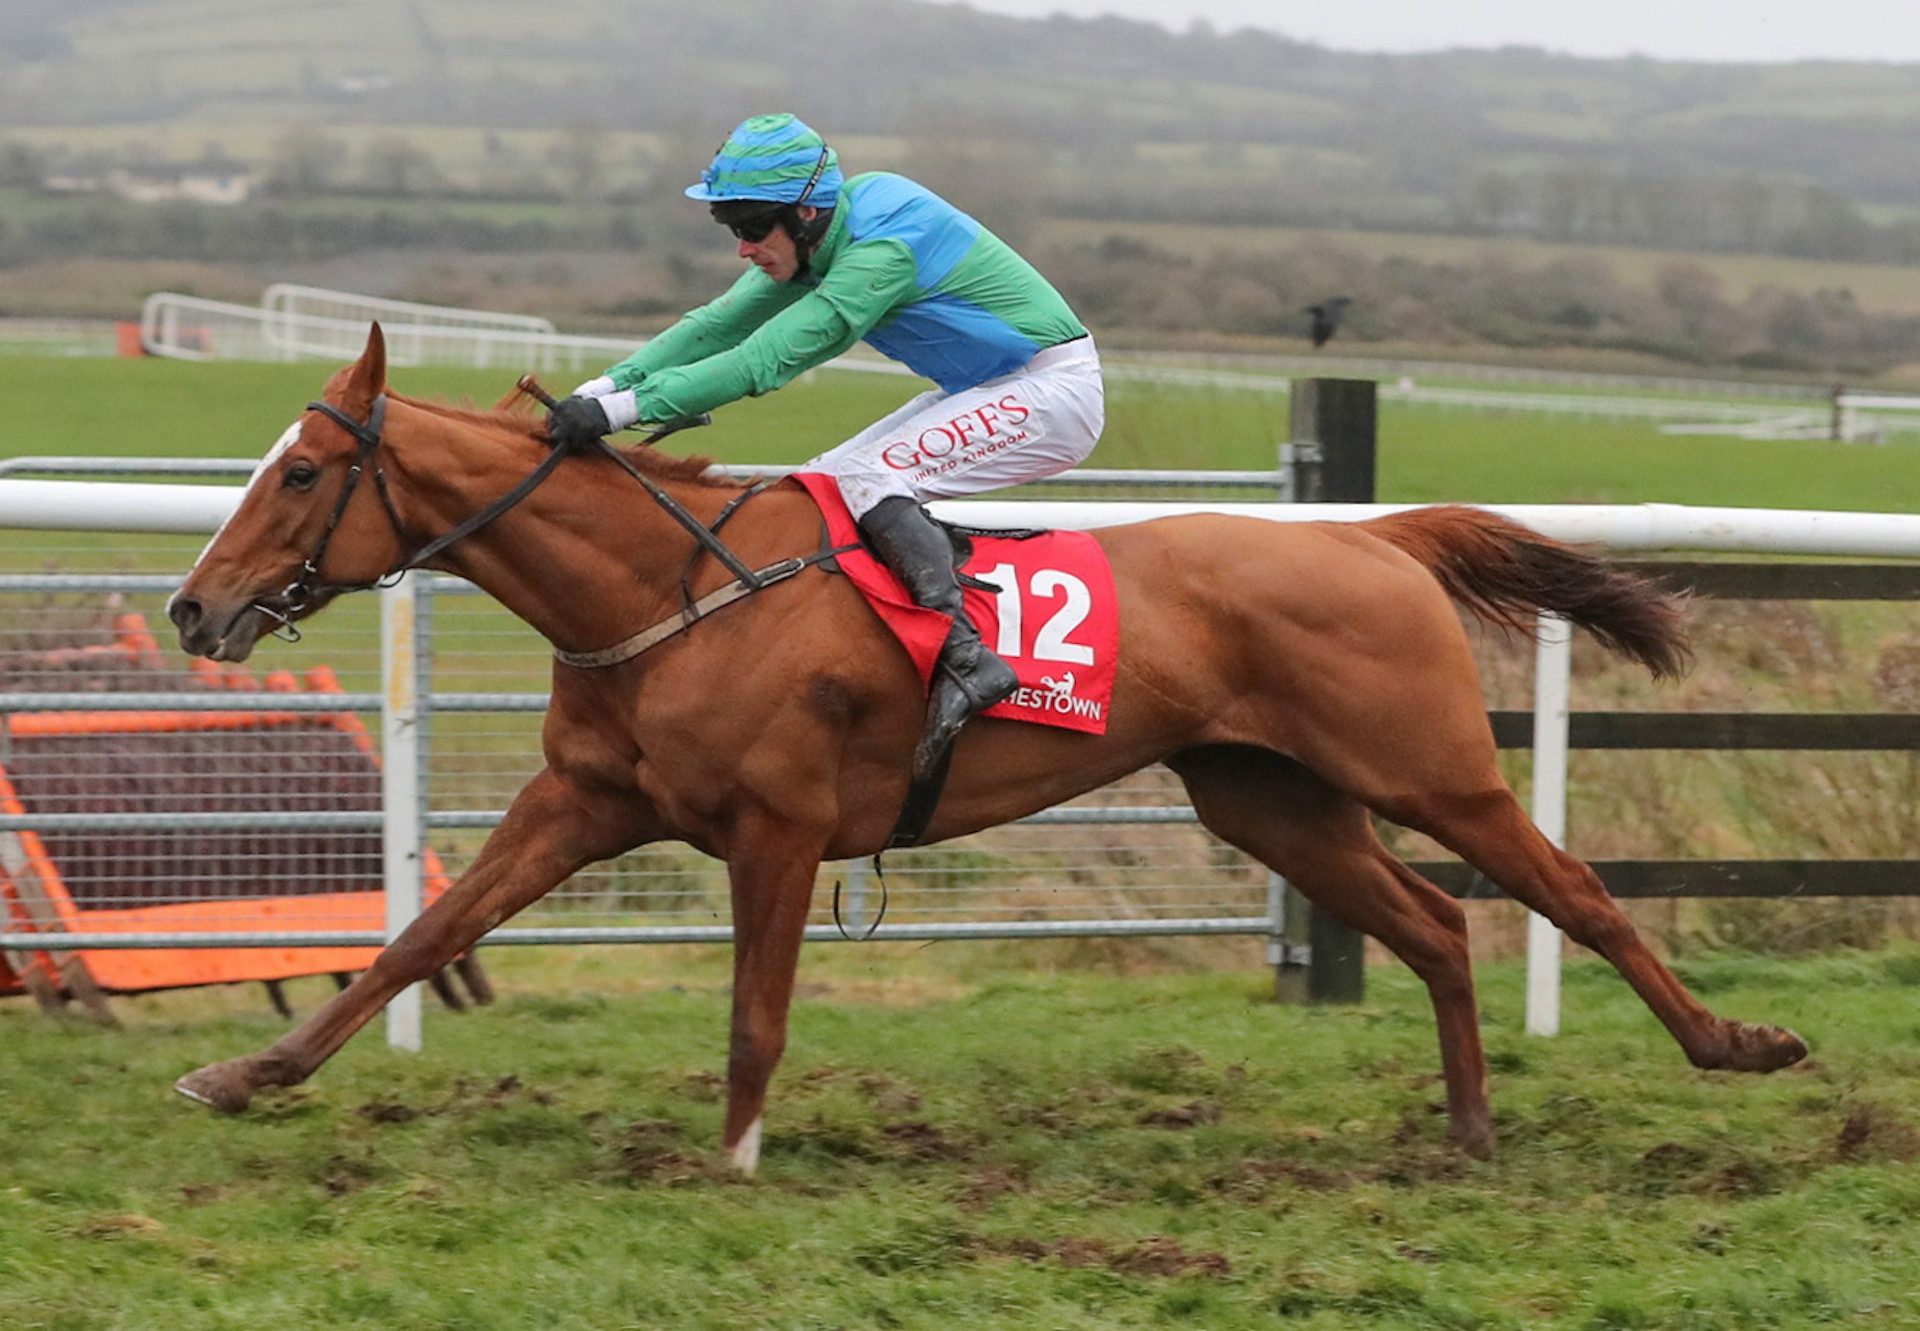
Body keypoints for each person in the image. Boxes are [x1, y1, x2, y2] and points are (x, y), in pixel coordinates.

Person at [547, 113, 1103, 755]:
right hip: (987, 389)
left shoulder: (883, 246)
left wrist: (623, 413)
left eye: (753, 229)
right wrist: (601, 389)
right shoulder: (824, 234)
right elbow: (715, 326)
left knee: (870, 477)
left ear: (807, 213)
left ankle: (965, 659)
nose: (743, 249)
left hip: (1053, 392)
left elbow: (762, 362)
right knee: (813, 487)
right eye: (731, 229)